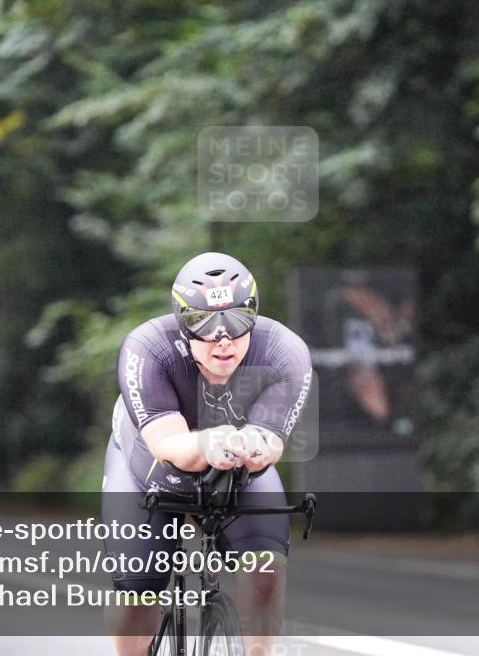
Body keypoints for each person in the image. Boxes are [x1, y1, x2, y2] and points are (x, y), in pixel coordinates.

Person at [102, 252, 313, 656]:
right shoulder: (148, 348)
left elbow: (270, 442)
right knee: (138, 598)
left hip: (236, 472)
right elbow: (167, 445)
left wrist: (254, 445)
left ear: (254, 313)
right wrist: (208, 442)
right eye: (204, 323)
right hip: (148, 470)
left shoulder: (284, 352)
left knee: (266, 572)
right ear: (182, 323)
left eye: (236, 319)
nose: (222, 339)